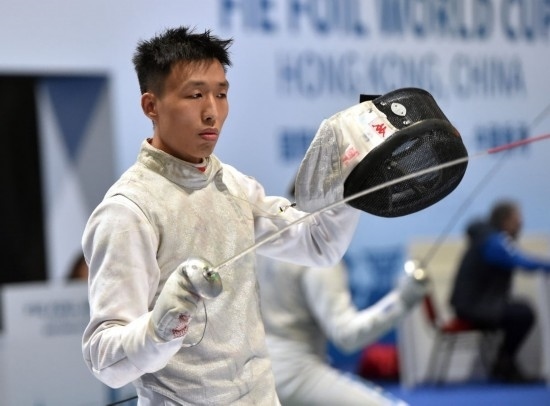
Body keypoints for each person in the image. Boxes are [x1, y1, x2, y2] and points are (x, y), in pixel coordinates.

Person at [81, 26, 361, 405]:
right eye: (195, 95)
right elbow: (105, 362)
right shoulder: (128, 210)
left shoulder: (234, 185)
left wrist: (358, 176)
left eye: (221, 94)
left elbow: (318, 243)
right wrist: (160, 327)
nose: (212, 112)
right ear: (151, 106)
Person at [257, 228, 429, 404]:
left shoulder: (266, 236)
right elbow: (347, 335)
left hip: (254, 372)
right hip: (295, 372)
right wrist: (401, 300)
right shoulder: (318, 252)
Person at [450, 199, 550, 383]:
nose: (521, 223)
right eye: (516, 218)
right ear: (505, 220)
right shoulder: (493, 241)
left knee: (521, 310)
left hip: (472, 304)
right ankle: (504, 363)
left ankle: (503, 363)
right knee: (523, 314)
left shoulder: (488, 237)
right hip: (473, 308)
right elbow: (522, 262)